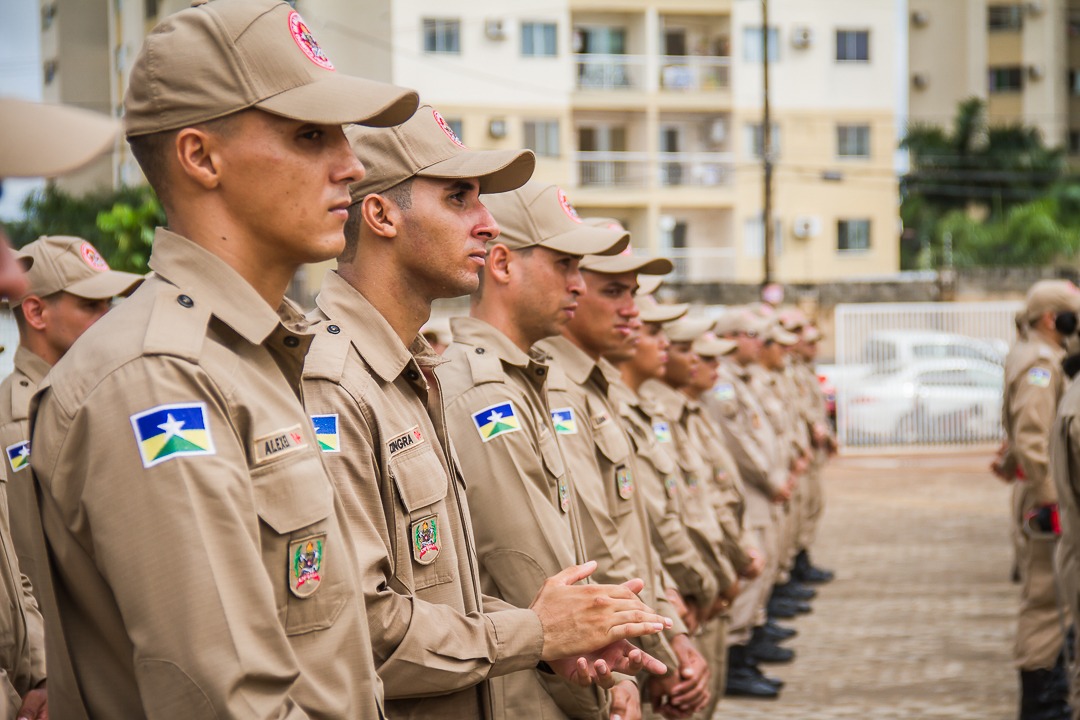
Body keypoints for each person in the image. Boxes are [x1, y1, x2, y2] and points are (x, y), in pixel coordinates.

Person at [27, 1, 421, 716]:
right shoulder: (157, 380)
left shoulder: (257, 353)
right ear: (201, 157)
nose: (353, 165)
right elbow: (229, 702)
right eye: (310, 136)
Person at [301, 110, 671, 719]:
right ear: (382, 215)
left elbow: (452, 588)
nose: (487, 224)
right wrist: (536, 634)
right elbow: (353, 626)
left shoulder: (411, 374)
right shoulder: (333, 380)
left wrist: (550, 638)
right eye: (457, 198)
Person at [438, 179, 635, 719]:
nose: (579, 285)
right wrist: (604, 686)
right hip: (532, 693)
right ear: (501, 264)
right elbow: (530, 567)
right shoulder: (484, 392)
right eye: (566, 265)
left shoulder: (520, 380)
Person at [539, 253, 711, 720]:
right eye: (614, 291)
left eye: (632, 293)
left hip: (639, 630)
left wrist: (670, 614)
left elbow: (639, 531)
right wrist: (662, 643)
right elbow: (595, 546)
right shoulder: (557, 391)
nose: (633, 311)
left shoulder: (598, 390)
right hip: (604, 656)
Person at [0, 100, 119, 720]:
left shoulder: (104, 396)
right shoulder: (13, 417)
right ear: (38, 313)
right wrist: (45, 672)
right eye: (89, 305)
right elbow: (22, 565)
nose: (107, 319)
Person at [1004, 280, 1079, 720]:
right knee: (1046, 602)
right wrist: (1055, 503)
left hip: (1036, 492)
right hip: (1044, 498)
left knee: (1048, 598)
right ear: (1054, 320)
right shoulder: (1042, 364)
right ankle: (1041, 701)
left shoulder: (1031, 356)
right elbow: (1033, 438)